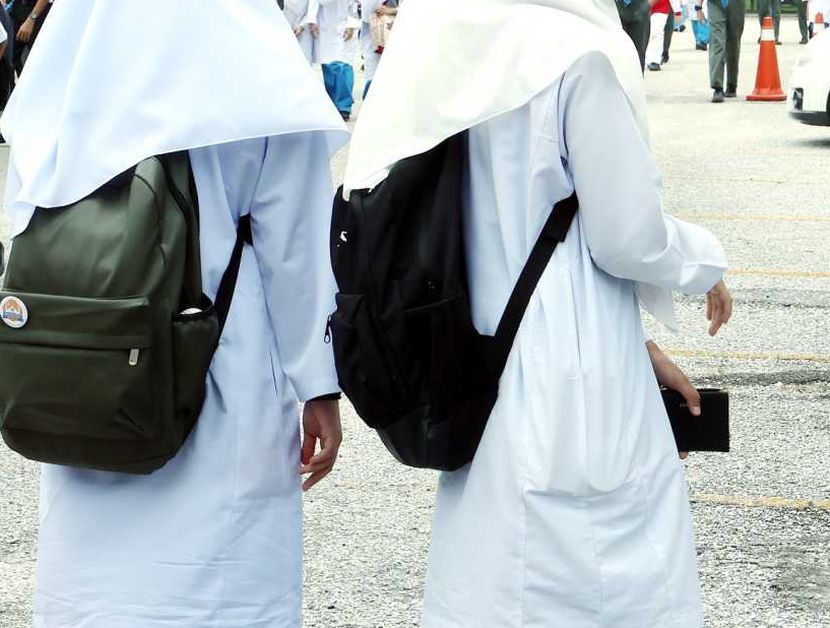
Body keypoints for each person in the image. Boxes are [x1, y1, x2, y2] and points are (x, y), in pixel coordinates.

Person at [344, 1, 733, 626]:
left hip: (476, 347)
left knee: (495, 566)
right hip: (571, 362)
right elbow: (625, 237)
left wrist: (642, 348)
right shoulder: (580, 53)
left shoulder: (447, 37)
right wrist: (704, 261)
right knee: (606, 570)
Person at [0, 1, 348, 627]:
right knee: (214, 580)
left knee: (96, 581)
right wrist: (317, 382)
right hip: (219, 365)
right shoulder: (248, 47)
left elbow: (25, 210)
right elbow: (294, 246)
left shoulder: (81, 34)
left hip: (91, 363)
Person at [306, 0, 360, 120]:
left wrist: (351, 24)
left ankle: (344, 107)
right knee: (328, 65)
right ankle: (333, 106)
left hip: (344, 26)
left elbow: (354, 5)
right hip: (324, 27)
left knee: (343, 65)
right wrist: (312, 21)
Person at [698, 0, 746, 103]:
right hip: (715, 3)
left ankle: (732, 84)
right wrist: (698, 6)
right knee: (717, 41)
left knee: (734, 41)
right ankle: (717, 87)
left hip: (736, 3)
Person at [8, 0, 50, 75]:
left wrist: (32, 19)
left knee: (40, 61)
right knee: (9, 57)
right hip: (17, 8)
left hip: (37, 12)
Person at [616, 0, 653, 71]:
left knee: (638, 54)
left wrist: (647, 5)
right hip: (616, 7)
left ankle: (637, 80)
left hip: (640, 6)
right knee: (617, 53)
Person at [647, 0, 672, 70]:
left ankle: (655, 60)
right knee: (647, 34)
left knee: (656, 33)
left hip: (661, 7)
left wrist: (677, 11)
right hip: (641, 6)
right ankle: (647, 59)